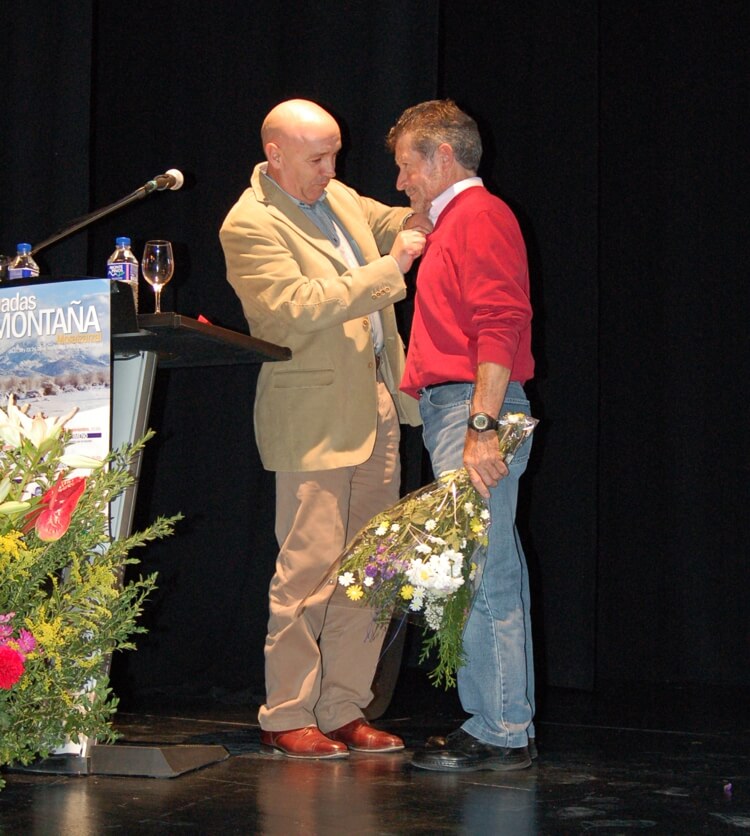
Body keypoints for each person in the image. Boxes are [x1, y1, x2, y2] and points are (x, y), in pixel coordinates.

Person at [220, 99, 429, 759]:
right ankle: (286, 714)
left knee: (371, 570)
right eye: (318, 157)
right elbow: (291, 310)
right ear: (275, 153)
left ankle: (343, 708)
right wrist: (391, 268)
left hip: (374, 403)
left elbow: (394, 218)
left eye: (336, 153)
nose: (332, 169)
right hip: (310, 415)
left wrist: (440, 198)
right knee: (308, 570)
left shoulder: (335, 196)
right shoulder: (249, 224)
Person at [386, 99, 536, 772]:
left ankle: (500, 729)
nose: (399, 183)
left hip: (474, 411)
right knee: (487, 567)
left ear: (441, 156)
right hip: (458, 411)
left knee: (481, 572)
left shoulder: (480, 217)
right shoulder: (458, 220)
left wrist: (481, 427)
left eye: (405, 166)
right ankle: (502, 723)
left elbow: (500, 323)